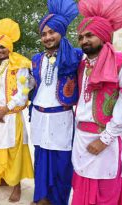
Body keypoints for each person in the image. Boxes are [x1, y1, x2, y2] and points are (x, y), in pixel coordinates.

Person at [72, 0, 122, 204]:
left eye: (90, 35)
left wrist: (104, 139)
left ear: (104, 35)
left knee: (105, 194)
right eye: (81, 37)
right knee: (81, 188)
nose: (84, 40)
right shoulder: (82, 66)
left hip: (104, 141)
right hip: (81, 139)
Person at [29, 0, 83, 204]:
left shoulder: (76, 56)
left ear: (61, 32)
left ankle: (59, 200)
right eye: (44, 33)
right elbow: (35, 85)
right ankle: (42, 197)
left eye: (52, 32)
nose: (47, 37)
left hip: (61, 117)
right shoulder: (36, 59)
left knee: (61, 163)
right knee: (41, 159)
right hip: (39, 117)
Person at [0, 18, 34, 203]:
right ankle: (3, 179)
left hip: (12, 116)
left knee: (14, 152)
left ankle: (17, 186)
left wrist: (4, 110)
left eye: (2, 47)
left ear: (9, 47)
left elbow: (23, 94)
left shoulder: (20, 65)